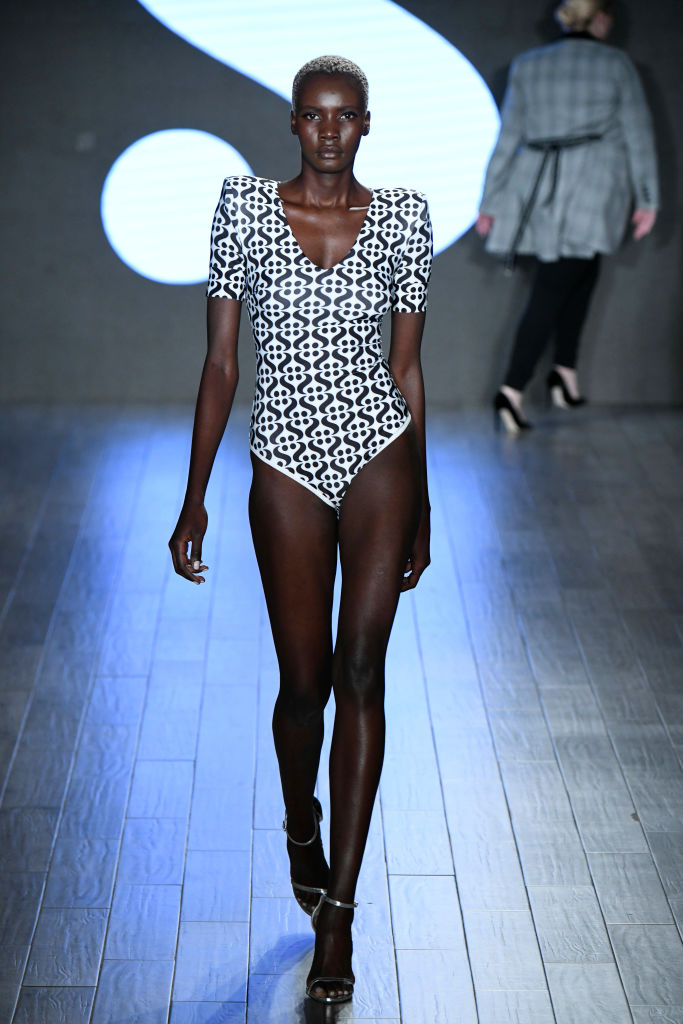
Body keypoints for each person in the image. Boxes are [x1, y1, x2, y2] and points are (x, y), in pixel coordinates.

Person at [168, 56, 432, 1005]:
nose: (328, 130)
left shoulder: (403, 218)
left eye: (344, 116)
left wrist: (422, 500)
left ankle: (339, 919)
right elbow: (220, 363)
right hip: (282, 454)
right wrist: (195, 495)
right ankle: (298, 825)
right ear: (292, 123)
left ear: (365, 124)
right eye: (313, 116)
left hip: (378, 453)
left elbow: (406, 369)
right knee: (304, 684)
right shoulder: (242, 209)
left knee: (362, 669)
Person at [477, 0, 659, 434]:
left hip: (536, 182)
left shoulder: (529, 64)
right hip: (592, 183)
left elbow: (508, 137)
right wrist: (648, 198)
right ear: (599, 19)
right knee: (556, 282)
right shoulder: (615, 64)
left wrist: (491, 200)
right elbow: (637, 133)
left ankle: (564, 371)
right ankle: (511, 389)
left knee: (582, 270)